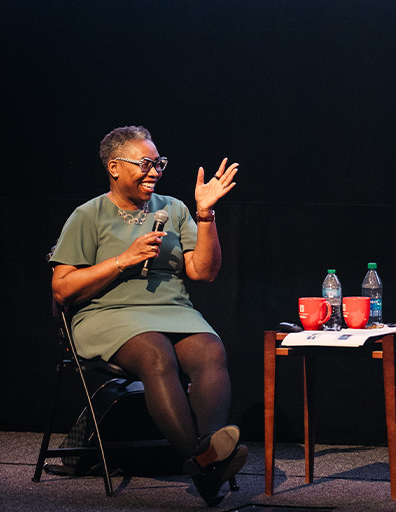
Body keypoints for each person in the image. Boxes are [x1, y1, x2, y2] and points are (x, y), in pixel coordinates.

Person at [50, 125, 246, 507]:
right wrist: (123, 259)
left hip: (172, 311)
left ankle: (207, 455)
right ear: (114, 167)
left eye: (159, 163)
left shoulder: (173, 208)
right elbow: (62, 288)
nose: (155, 171)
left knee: (210, 351)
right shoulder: (88, 215)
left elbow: (203, 271)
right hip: (109, 313)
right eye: (145, 163)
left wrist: (205, 216)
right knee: (156, 353)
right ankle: (201, 460)